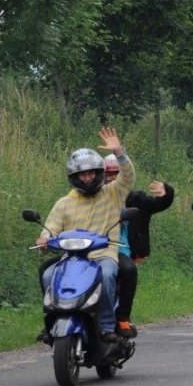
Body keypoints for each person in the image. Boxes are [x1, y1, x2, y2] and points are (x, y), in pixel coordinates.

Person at [37, 127, 134, 343]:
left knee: (108, 275)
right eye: (83, 174)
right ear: (74, 176)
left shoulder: (112, 194)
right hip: (71, 258)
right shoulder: (64, 203)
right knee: (47, 275)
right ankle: (51, 322)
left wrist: (119, 152)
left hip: (103, 255)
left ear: (99, 173)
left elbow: (128, 178)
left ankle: (108, 325)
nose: (88, 178)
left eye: (91, 172)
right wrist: (44, 239)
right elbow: (51, 228)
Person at [103, 154, 175, 338]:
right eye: (107, 175)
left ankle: (122, 318)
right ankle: (58, 317)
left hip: (123, 250)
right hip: (93, 249)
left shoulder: (138, 200)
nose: (111, 179)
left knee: (128, 270)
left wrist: (167, 192)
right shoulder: (95, 198)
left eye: (115, 174)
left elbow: (160, 203)